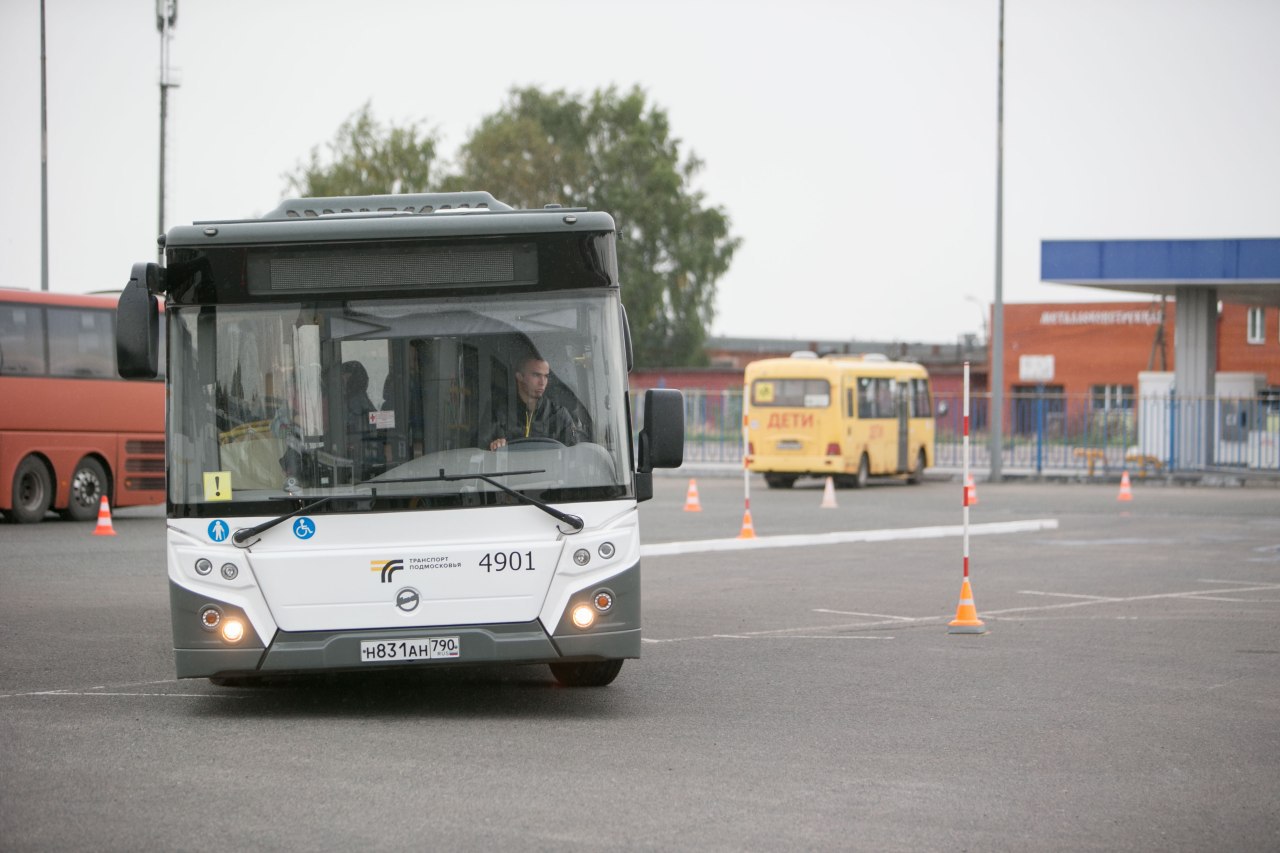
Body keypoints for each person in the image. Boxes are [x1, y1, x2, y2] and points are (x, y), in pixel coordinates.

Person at [487, 354, 579, 450]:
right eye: (536, 375)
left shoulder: (559, 415)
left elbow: (574, 455)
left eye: (546, 376)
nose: (542, 382)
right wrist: (493, 445)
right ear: (519, 376)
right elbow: (480, 447)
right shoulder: (498, 411)